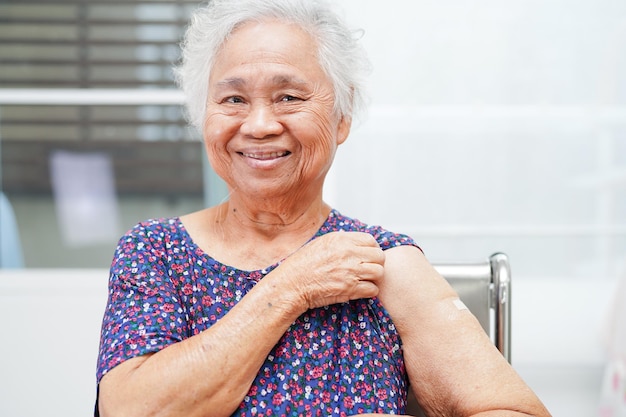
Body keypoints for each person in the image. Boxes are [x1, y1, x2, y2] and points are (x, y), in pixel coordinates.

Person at [95, 0, 551, 416]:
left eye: (289, 97)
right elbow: (131, 410)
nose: (258, 125)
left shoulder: (381, 263)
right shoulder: (155, 252)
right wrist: (292, 286)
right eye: (233, 99)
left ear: (342, 118)